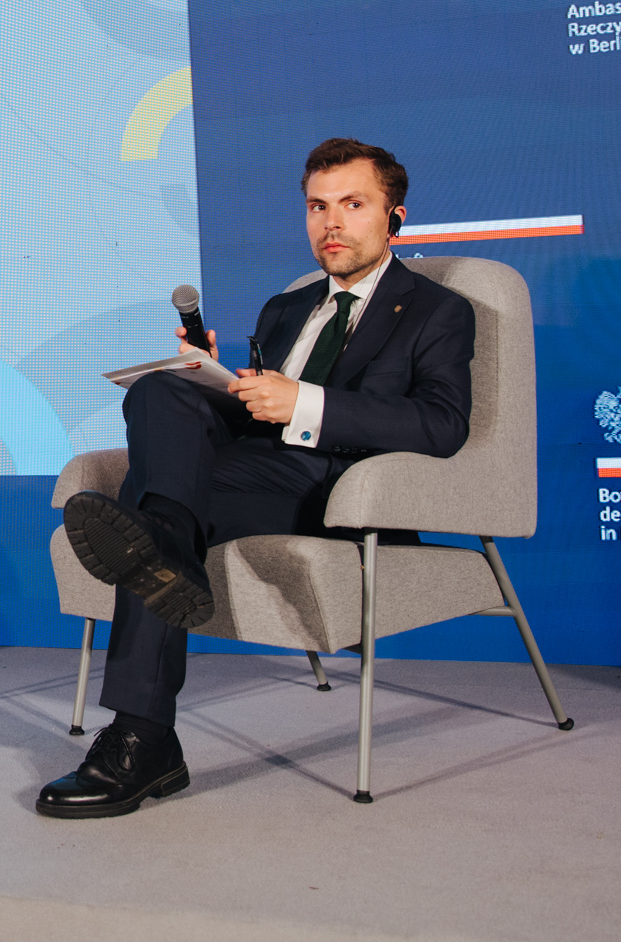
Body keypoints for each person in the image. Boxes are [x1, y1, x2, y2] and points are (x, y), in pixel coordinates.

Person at [40, 138, 474, 818]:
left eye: (353, 204)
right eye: (317, 207)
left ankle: (143, 738)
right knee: (160, 391)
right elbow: (255, 413)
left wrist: (303, 402)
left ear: (395, 217)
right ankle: (162, 542)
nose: (331, 223)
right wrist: (214, 382)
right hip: (254, 469)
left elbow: (442, 424)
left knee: (148, 521)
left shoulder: (436, 310)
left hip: (337, 489)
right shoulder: (286, 307)